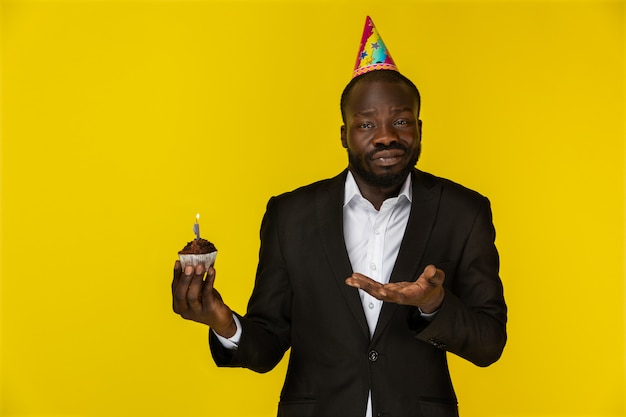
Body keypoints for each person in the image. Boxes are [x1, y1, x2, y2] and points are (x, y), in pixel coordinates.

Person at [172, 16, 507, 417]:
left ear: (419, 128)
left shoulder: (463, 212)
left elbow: (489, 343)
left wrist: (435, 304)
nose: (386, 135)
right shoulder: (289, 215)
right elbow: (267, 345)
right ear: (344, 135)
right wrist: (224, 323)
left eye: (401, 121)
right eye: (366, 124)